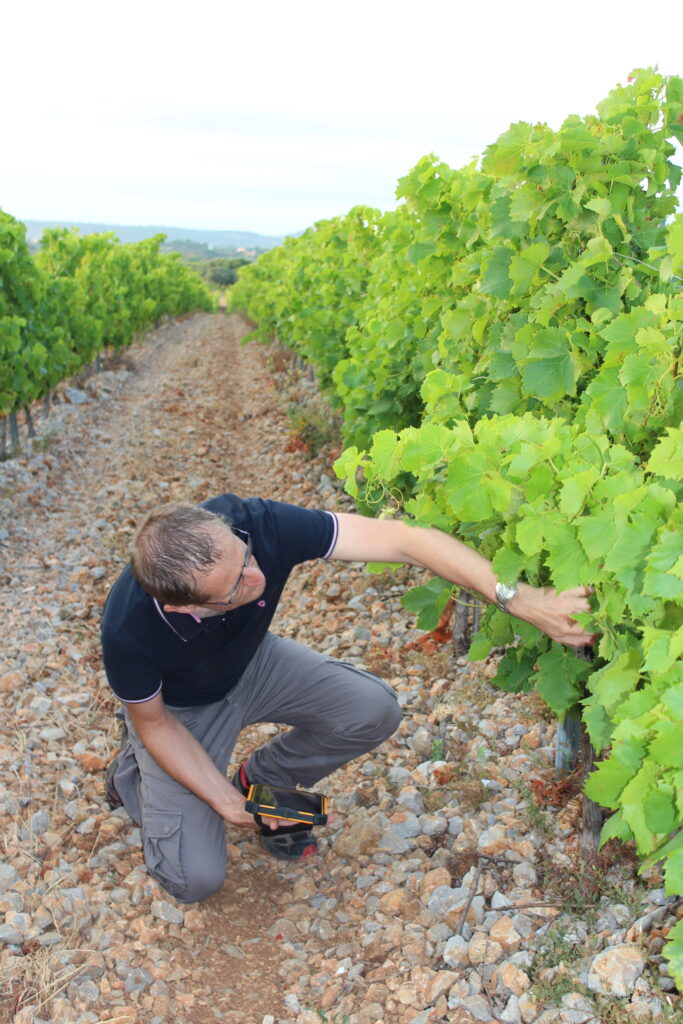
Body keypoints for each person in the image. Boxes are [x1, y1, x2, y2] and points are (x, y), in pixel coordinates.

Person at [101, 493, 593, 904]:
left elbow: (407, 540)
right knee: (195, 881)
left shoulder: (255, 526)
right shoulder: (129, 631)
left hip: (251, 665)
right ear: (184, 606)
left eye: (246, 558)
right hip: (182, 713)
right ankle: (134, 775)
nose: (257, 577)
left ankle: (264, 779)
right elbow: (156, 723)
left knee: (372, 709)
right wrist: (227, 804)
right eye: (235, 586)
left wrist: (521, 599)